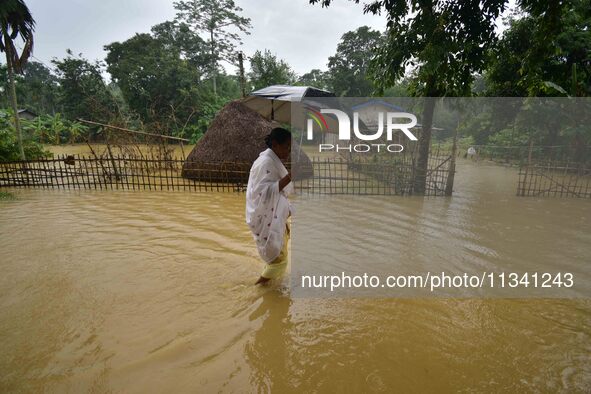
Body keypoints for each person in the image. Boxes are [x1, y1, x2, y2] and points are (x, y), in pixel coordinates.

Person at [245, 127, 293, 285]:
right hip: (268, 218)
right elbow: (263, 193)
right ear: (275, 144)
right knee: (279, 261)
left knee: (278, 255)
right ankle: (258, 288)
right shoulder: (266, 162)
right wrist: (290, 177)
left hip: (274, 216)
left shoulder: (271, 161)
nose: (288, 151)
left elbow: (274, 192)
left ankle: (271, 287)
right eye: (286, 147)